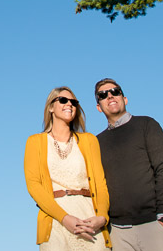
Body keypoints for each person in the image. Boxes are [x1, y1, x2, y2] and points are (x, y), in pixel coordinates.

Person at [94, 78, 163, 251]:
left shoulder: (146, 125)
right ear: (99, 107)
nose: (110, 96)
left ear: (124, 99)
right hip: (117, 234)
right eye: (103, 95)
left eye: (115, 91)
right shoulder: (96, 142)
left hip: (153, 225)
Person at [24, 87, 111, 250]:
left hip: (90, 219)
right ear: (51, 107)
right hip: (55, 220)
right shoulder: (34, 142)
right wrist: (65, 219)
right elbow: (34, 186)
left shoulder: (89, 140)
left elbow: (101, 185)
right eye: (63, 100)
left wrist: (102, 218)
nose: (69, 104)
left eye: (73, 102)